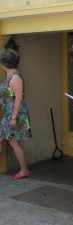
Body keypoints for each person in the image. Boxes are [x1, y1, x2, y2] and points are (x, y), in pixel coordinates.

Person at [0, 49, 32, 180]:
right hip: (8, 114)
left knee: (13, 143)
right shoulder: (8, 76)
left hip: (15, 115)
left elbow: (18, 98)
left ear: (4, 63)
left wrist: (13, 118)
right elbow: (9, 97)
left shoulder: (15, 77)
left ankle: (24, 170)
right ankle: (24, 169)